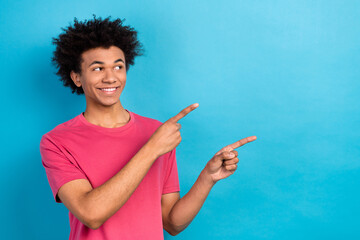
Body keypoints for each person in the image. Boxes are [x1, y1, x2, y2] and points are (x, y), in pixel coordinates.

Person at [40, 15, 256, 240]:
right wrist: (151, 149)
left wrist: (208, 177)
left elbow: (172, 223)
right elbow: (91, 214)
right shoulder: (57, 141)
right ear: (76, 77)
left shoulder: (157, 132)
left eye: (118, 66)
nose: (110, 77)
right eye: (97, 69)